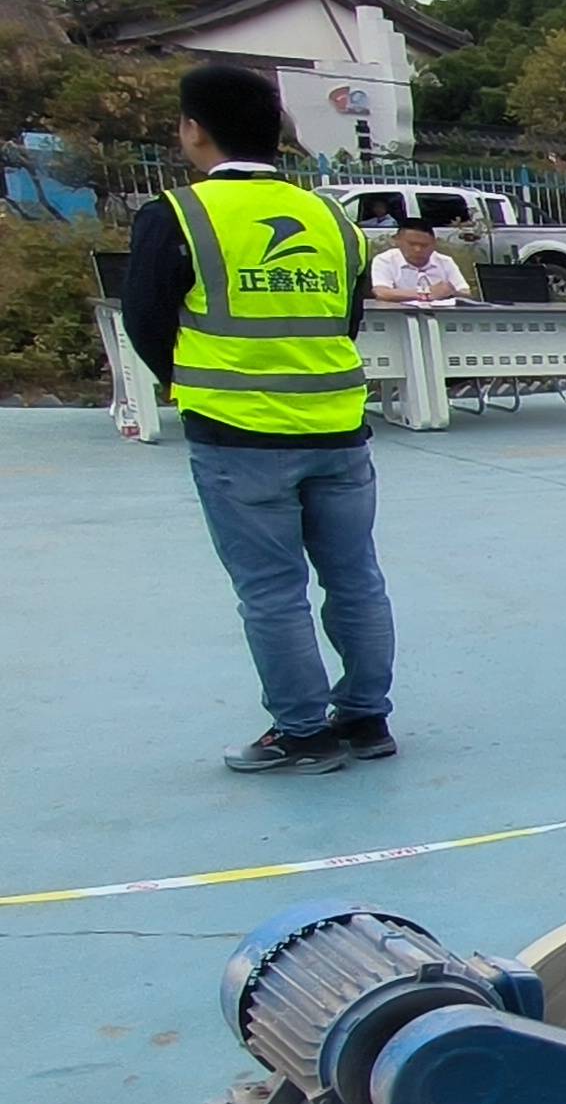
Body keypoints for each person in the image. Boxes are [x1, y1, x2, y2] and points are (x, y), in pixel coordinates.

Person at [117, 63, 399, 776]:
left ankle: (303, 733)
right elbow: (347, 318)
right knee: (356, 578)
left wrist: (194, 383)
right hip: (338, 429)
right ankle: (366, 719)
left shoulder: (178, 215)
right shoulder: (332, 218)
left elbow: (145, 322)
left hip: (238, 437)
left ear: (193, 130)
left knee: (272, 590)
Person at [368, 221, 471, 306]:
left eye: (424, 245)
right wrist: (426, 294)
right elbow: (381, 292)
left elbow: (465, 292)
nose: (418, 249)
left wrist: (451, 292)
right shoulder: (385, 260)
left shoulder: (445, 261)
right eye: (411, 244)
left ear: (434, 244)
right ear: (397, 241)